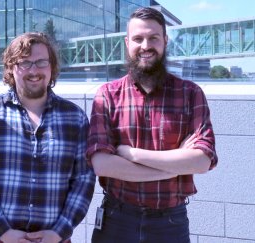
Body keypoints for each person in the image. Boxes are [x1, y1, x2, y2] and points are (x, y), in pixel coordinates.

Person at [87, 7, 218, 243]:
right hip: (116, 220)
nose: (145, 45)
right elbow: (101, 164)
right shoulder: (107, 95)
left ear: (165, 41)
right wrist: (176, 164)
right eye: (138, 39)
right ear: (127, 43)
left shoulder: (190, 93)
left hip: (170, 223)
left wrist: (131, 153)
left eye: (153, 38)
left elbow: (201, 161)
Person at [0, 32, 95, 243]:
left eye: (41, 62)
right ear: (11, 68)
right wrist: (3, 232)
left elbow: (83, 181)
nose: (34, 70)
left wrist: (59, 232)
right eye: (24, 63)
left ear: (52, 67)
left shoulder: (75, 118)